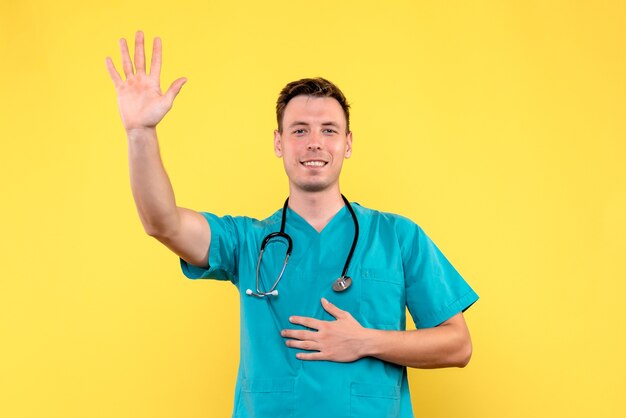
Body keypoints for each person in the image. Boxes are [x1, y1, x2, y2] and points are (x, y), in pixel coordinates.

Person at [106, 31, 479, 418]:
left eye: (329, 130)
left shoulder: (398, 238)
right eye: (299, 130)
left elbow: (457, 345)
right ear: (278, 143)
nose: (314, 142)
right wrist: (140, 132)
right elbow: (161, 223)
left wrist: (365, 341)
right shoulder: (247, 242)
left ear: (347, 144)